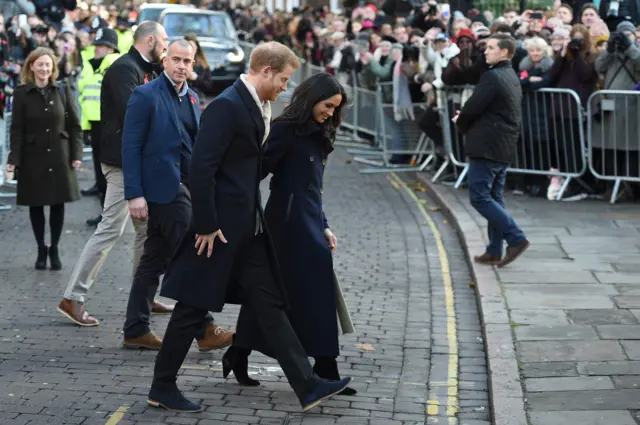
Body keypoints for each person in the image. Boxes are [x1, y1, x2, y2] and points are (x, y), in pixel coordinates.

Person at [147, 42, 351, 413]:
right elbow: (201, 168)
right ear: (266, 71)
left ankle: (307, 385)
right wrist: (206, 225)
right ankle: (162, 386)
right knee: (192, 307)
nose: (286, 88)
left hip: (248, 229)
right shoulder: (226, 106)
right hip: (219, 232)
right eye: (284, 79)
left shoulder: (258, 105)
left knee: (271, 304)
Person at [227, 72, 356, 396]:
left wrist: (324, 223)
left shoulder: (321, 132)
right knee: (291, 293)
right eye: (327, 105)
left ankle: (240, 351)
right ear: (312, 99)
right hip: (285, 223)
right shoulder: (285, 129)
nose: (330, 112)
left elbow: (316, 188)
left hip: (308, 221)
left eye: (335, 109)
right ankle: (324, 365)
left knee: (282, 294)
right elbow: (257, 170)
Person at [120, 39, 233, 351]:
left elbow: (194, 147)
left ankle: (135, 328)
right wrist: (134, 194)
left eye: (188, 61)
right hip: (162, 191)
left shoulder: (193, 99)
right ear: (165, 61)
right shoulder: (144, 95)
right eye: (177, 60)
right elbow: (129, 147)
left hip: (186, 187)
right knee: (190, 256)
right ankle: (205, 328)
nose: (182, 66)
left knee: (152, 260)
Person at [56, 22, 170, 327]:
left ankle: (142, 295)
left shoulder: (148, 67)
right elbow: (135, 113)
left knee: (144, 232)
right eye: (164, 40)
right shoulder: (124, 69)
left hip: (136, 161)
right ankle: (73, 297)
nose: (167, 46)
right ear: (150, 40)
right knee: (110, 229)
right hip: (122, 162)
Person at [452, 34, 530, 267]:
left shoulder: (493, 77)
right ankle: (494, 249)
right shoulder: (510, 75)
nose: (486, 51)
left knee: (479, 197)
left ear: (504, 52)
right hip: (503, 144)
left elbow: (473, 107)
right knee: (494, 196)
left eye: (492, 48)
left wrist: (461, 123)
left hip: (488, 145)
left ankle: (515, 237)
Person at [6, 47, 83, 270]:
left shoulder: (61, 88)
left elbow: (74, 125)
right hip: (32, 156)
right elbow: (16, 129)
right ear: (31, 66)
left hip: (60, 154)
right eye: (40, 64)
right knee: (36, 203)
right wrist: (14, 158)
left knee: (58, 202)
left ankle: (55, 248)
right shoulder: (22, 93)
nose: (44, 69)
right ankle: (41, 248)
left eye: (48, 65)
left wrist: (76, 154)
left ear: (53, 67)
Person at [77, 28, 121, 227]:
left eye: (101, 46)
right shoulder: (91, 65)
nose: (97, 49)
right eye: (96, 45)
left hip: (106, 124)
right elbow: (84, 96)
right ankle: (104, 212)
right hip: (93, 123)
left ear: (111, 48)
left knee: (107, 172)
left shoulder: (113, 65)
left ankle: (107, 215)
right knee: (99, 167)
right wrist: (85, 125)